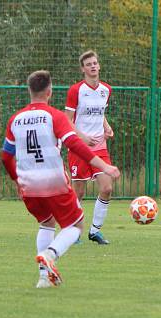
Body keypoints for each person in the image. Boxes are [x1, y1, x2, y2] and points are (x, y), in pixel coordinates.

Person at [1, 70, 120, 288]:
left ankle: (43, 278)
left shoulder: (15, 119)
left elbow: (6, 156)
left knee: (46, 223)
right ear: (49, 91)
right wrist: (104, 166)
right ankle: (51, 254)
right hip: (53, 181)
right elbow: (75, 144)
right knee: (76, 225)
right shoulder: (54, 116)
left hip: (28, 184)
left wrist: (17, 180)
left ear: (30, 90)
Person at [65, 50, 114, 245]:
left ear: (99, 65)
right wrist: (82, 137)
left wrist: (107, 126)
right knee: (79, 192)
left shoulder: (106, 89)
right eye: (89, 64)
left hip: (100, 148)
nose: (93, 66)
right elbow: (67, 120)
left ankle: (94, 231)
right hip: (79, 147)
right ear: (83, 69)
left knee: (107, 187)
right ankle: (72, 230)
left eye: (95, 63)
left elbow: (99, 112)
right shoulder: (76, 90)